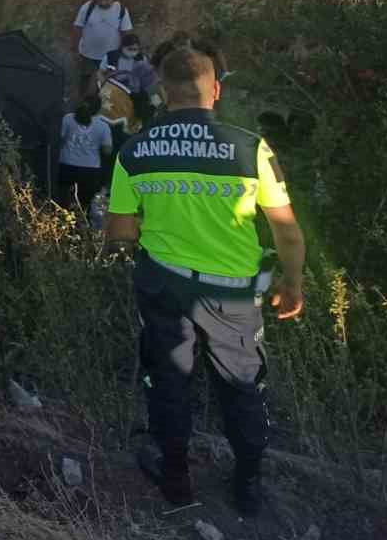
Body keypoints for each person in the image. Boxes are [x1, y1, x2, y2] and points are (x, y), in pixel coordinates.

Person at [104, 47, 306, 515]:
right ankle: (248, 485)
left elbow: (119, 230)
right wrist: (292, 284)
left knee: (169, 383)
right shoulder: (250, 147)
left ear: (161, 93)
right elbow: (286, 229)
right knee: (241, 387)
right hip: (233, 292)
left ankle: (175, 480)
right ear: (216, 90)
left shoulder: (135, 149)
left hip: (164, 287)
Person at [57, 95, 114, 224]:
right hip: (90, 170)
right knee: (85, 206)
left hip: (67, 166)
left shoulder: (67, 119)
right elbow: (107, 151)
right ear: (98, 109)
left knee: (64, 203)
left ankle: (63, 228)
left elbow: (59, 139)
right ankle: (82, 231)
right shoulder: (103, 126)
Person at [70, 0, 133, 97]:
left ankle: (101, 107)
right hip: (88, 54)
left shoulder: (121, 10)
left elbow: (126, 32)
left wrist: (125, 53)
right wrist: (75, 49)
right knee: (85, 83)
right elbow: (77, 28)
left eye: (107, 0)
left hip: (110, 57)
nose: (103, 3)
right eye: (100, 0)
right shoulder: (87, 7)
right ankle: (83, 106)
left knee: (107, 83)